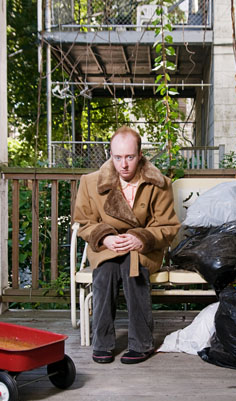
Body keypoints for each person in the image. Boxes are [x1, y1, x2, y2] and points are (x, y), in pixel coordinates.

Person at [73, 126, 180, 364]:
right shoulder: (90, 183)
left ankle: (141, 343)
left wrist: (141, 238)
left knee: (133, 271)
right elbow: (84, 223)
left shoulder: (159, 183)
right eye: (117, 157)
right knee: (105, 272)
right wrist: (105, 237)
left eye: (130, 157)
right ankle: (102, 342)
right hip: (107, 245)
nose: (124, 164)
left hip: (143, 248)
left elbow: (167, 226)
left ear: (140, 154)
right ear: (110, 154)